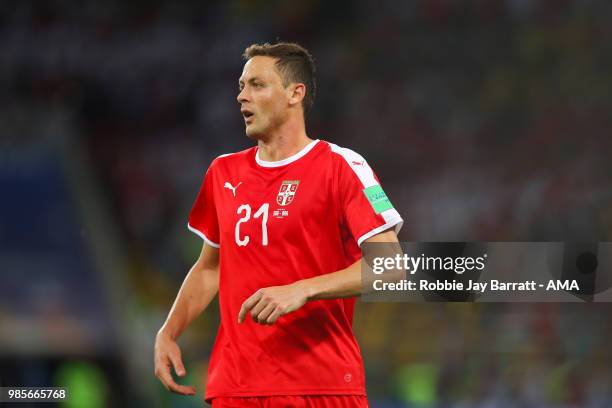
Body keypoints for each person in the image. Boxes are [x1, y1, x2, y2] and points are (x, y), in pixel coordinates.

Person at [154, 41, 403, 408]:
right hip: (237, 387)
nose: (242, 96)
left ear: (294, 93)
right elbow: (210, 268)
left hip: (320, 385)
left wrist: (302, 289)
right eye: (241, 86)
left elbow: (391, 267)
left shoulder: (341, 166)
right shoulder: (222, 172)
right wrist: (168, 331)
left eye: (257, 85)